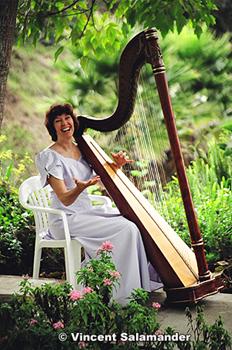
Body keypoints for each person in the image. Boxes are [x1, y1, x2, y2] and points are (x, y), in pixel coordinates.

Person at [36, 103, 162, 304]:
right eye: (57, 121)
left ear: (73, 121)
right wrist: (79, 188)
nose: (64, 123)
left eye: (67, 118)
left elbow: (102, 175)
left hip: (86, 213)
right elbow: (64, 198)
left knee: (132, 224)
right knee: (127, 229)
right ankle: (122, 295)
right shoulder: (48, 156)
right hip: (66, 219)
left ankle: (132, 287)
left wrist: (117, 166)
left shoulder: (82, 149)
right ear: (52, 127)